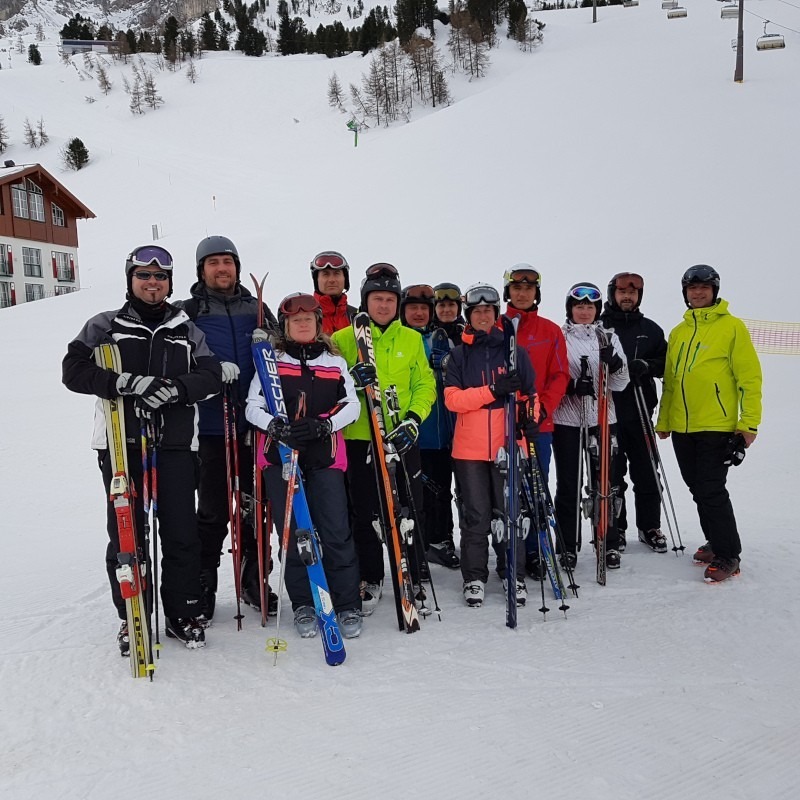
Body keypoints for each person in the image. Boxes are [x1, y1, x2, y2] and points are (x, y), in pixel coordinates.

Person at [62, 244, 222, 651]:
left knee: (181, 533)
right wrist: (124, 383)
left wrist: (176, 389)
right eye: (144, 275)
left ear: (169, 282)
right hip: (121, 445)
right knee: (126, 535)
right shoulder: (106, 325)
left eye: (160, 277)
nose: (153, 283)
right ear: (130, 280)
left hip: (176, 446)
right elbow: (73, 370)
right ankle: (131, 615)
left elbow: (211, 376)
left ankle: (183, 613)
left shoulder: (186, 329)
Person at [245, 293, 363, 637]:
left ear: (318, 324)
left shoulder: (334, 362)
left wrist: (324, 425)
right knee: (295, 534)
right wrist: (275, 426)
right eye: (295, 320)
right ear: (285, 325)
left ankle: (346, 604)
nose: (302, 324)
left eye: (308, 319)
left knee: (335, 530)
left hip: (325, 456)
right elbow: (252, 406)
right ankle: (304, 604)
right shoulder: (271, 361)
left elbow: (352, 404)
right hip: (282, 457)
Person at [176, 235, 278, 625]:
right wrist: (210, 371)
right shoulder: (188, 311)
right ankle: (204, 584)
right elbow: (177, 356)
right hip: (210, 425)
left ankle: (255, 579)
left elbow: (283, 353)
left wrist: (270, 343)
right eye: (213, 262)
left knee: (256, 508)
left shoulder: (257, 308)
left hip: (255, 424)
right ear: (201, 269)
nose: (222, 268)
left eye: (228, 262)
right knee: (212, 512)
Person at [331, 264, 437, 615]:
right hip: (361, 437)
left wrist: (413, 420)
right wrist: (351, 378)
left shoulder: (411, 338)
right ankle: (371, 576)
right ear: (366, 301)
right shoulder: (344, 339)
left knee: (410, 506)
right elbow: (331, 387)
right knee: (365, 510)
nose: (384, 305)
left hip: (401, 436)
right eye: (377, 299)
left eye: (390, 299)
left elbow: (425, 384)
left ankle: (412, 572)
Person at [656, 265, 762, 583]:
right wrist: (664, 420)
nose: (698, 292)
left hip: (717, 425)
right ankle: (715, 541)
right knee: (696, 488)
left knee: (711, 489)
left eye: (704, 287)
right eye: (692, 288)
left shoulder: (732, 327)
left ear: (715, 290)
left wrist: (748, 425)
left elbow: (750, 379)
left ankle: (729, 554)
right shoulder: (679, 332)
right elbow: (671, 382)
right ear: (685, 292)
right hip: (683, 427)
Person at [444, 283, 538, 608]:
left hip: (507, 444)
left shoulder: (515, 352)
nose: (483, 316)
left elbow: (530, 395)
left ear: (496, 314)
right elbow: (453, 400)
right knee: (475, 515)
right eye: (477, 311)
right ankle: (474, 577)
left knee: (509, 512)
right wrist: (493, 390)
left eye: (488, 310)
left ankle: (513, 572)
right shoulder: (458, 355)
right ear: (468, 315)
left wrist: (530, 417)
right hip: (468, 449)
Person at [552, 283, 629, 570]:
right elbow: (551, 376)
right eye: (579, 306)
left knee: (605, 482)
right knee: (569, 483)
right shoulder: (559, 337)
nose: (584, 311)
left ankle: (607, 542)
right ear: (570, 309)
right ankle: (567, 545)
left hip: (603, 419)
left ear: (597, 309)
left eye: (589, 307)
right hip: (567, 420)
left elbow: (621, 383)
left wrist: (616, 364)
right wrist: (571, 386)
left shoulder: (608, 337)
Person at [501, 264, 570, 577]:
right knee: (505, 492)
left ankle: (535, 551)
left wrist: (543, 408)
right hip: (500, 425)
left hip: (536, 426)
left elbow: (559, 375)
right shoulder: (496, 326)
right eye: (517, 288)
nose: (522, 293)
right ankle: (508, 552)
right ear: (508, 291)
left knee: (535, 490)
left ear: (536, 292)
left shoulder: (550, 331)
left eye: (528, 288)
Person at [600, 272, 668, 554]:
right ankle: (616, 528)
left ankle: (649, 526)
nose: (627, 297)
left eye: (633, 293)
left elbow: (666, 363)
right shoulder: (600, 327)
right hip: (608, 413)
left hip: (640, 410)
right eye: (622, 292)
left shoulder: (650, 329)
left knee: (648, 472)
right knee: (612, 475)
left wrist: (647, 366)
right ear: (612, 294)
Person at [400, 284, 460, 570]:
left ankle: (441, 540)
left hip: (441, 431)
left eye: (424, 308)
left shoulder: (441, 337)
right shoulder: (400, 340)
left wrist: (449, 361)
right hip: (410, 432)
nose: (419, 313)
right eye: (413, 308)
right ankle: (416, 547)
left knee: (441, 490)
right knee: (413, 495)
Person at [310, 250, 357, 335]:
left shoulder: (358, 317)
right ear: (316, 280)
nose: (331, 280)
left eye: (337, 274)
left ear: (345, 279)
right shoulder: (306, 318)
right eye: (325, 274)